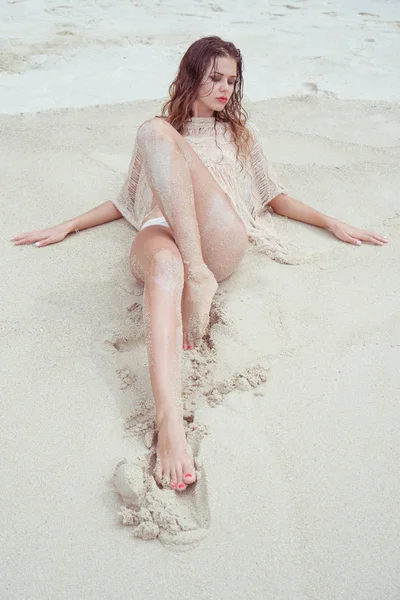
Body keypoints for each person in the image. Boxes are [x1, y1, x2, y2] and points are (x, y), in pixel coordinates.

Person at [12, 36, 388, 493]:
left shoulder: (238, 135)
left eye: (231, 80)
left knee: (155, 134)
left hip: (217, 237)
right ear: (192, 75)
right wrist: (68, 225)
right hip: (161, 231)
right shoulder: (161, 134)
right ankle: (169, 420)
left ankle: (200, 273)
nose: (225, 88)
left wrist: (332, 222)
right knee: (165, 261)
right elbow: (126, 200)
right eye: (215, 77)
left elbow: (274, 195)